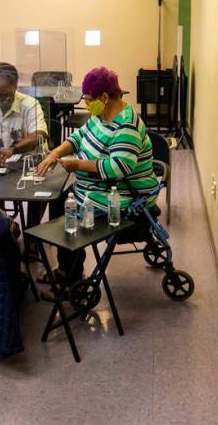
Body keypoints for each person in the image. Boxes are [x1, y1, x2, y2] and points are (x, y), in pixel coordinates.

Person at [35, 66, 160, 297]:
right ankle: (66, 268)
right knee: (58, 201)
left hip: (122, 196)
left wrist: (77, 165)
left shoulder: (126, 126)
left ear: (104, 97)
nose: (88, 104)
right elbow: (79, 136)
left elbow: (118, 167)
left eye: (90, 99)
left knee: (68, 219)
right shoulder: (101, 115)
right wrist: (55, 153)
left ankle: (73, 284)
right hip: (95, 187)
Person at [0, 62, 48, 166]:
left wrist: (12, 150)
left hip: (27, 165)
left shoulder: (30, 105)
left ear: (15, 86)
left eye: (5, 94)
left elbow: (39, 135)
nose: (0, 99)